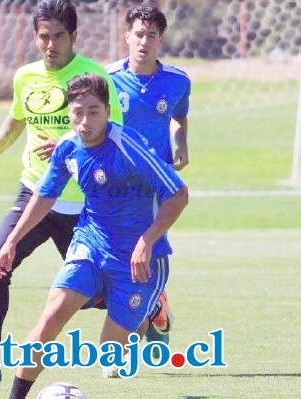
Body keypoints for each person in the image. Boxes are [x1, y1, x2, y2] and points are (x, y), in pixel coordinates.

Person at [0, 0, 122, 389]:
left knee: (100, 294)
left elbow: (114, 129)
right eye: (44, 36)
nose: (51, 44)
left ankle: (149, 308)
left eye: (59, 36)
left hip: (82, 203)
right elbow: (17, 118)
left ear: (73, 36)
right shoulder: (25, 76)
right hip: (34, 193)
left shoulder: (94, 76)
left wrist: (66, 141)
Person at [0, 73, 188, 399]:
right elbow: (44, 197)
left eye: (94, 112)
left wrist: (147, 240)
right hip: (91, 244)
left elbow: (178, 195)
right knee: (52, 314)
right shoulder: (68, 147)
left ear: (108, 111)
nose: (85, 121)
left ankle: (149, 312)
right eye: (78, 112)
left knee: (109, 351)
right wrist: (11, 242)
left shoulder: (129, 148)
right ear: (68, 112)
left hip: (140, 259)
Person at [106, 5, 191, 349]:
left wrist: (181, 141)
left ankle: (126, 340)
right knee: (117, 258)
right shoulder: (107, 79)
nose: (144, 41)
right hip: (115, 186)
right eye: (138, 34)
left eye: (151, 36)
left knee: (147, 252)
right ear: (127, 36)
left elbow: (180, 116)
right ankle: (154, 305)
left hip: (156, 186)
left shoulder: (178, 81)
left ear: (160, 40)